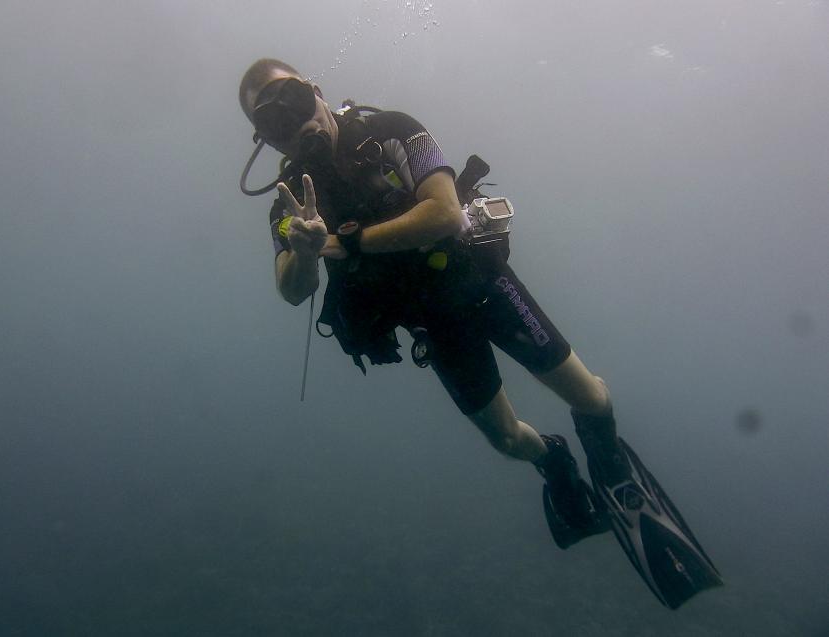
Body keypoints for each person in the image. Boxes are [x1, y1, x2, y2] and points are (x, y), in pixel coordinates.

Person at [237, 58, 722, 609]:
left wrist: (347, 244)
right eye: (272, 122)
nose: (293, 123)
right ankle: (555, 460)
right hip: (433, 323)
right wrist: (302, 253)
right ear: (265, 139)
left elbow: (445, 214)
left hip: (482, 284)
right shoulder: (288, 205)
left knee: (589, 395)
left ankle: (609, 467)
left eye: (294, 100)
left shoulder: (392, 129)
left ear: (317, 92)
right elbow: (292, 289)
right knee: (507, 439)